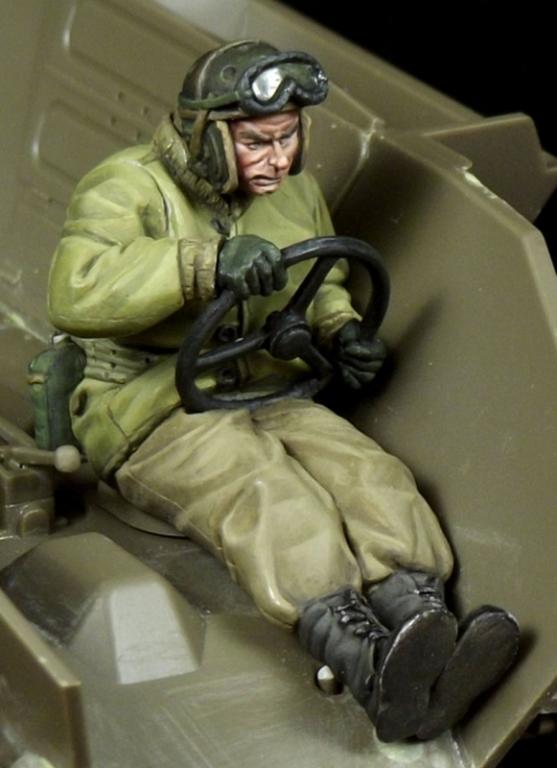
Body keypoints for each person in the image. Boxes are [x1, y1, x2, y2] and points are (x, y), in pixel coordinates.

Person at [47, 40, 519, 742]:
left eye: (287, 137)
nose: (276, 158)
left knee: (365, 472)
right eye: (256, 142)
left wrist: (339, 330)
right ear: (208, 137)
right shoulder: (125, 188)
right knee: (266, 491)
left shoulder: (293, 193)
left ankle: (421, 619)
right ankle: (365, 660)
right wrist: (204, 264)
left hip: (270, 385)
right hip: (152, 405)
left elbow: (319, 279)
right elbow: (76, 290)